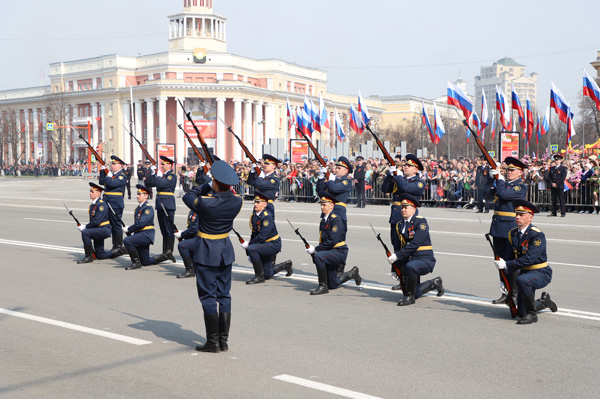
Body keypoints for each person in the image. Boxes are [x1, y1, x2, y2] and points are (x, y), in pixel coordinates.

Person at [182, 161, 244, 353]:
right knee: (224, 294)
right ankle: (223, 341)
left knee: (208, 295)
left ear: (216, 183)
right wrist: (215, 182)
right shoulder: (237, 201)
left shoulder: (206, 202)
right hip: (225, 249)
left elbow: (188, 195)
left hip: (207, 250)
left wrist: (207, 184)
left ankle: (212, 342)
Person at [494, 199, 558, 324]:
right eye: (516, 214)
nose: (517, 217)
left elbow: (529, 259)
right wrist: (505, 280)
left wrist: (506, 264)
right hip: (525, 273)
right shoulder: (512, 234)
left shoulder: (537, 235)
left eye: (521, 215)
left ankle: (532, 314)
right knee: (520, 313)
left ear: (530, 218)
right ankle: (544, 302)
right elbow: (510, 257)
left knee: (522, 280)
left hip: (540, 272)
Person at [386, 193, 444, 306]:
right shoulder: (399, 226)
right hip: (410, 261)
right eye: (402, 207)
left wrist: (397, 257)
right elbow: (398, 248)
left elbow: (415, 244)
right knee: (416, 291)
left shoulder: (420, 222)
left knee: (410, 268)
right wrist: (394, 267)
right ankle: (434, 283)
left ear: (413, 210)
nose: (403, 210)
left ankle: (409, 297)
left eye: (406, 208)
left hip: (424, 259)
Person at [381, 154, 426, 290]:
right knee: (397, 248)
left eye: (409, 166)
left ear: (416, 170)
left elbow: (405, 188)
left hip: (408, 218)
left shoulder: (418, 182)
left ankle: (412, 282)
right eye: (405, 165)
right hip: (396, 217)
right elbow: (385, 189)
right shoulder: (400, 179)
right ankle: (403, 280)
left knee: (408, 250)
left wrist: (398, 175)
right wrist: (390, 174)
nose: (405, 167)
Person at [305, 191, 362, 295]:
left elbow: (332, 241)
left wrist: (316, 250)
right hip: (330, 252)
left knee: (319, 257)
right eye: (321, 205)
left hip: (338, 251)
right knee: (333, 284)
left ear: (332, 206)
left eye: (324, 205)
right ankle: (352, 273)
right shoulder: (323, 221)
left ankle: (322, 286)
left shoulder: (336, 220)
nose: (322, 207)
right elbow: (322, 239)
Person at [489, 156, 527, 305]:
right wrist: (491, 177)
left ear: (520, 173)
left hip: (509, 229)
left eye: (512, 170)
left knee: (510, 263)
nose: (509, 172)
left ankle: (514, 294)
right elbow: (487, 193)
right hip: (498, 228)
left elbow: (504, 195)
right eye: (507, 169)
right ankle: (505, 292)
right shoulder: (503, 184)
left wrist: (500, 179)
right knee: (499, 263)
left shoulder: (520, 187)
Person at [242, 191, 293, 284]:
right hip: (264, 245)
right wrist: (248, 248)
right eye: (255, 202)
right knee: (268, 274)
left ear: (265, 204)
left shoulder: (266, 217)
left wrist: (249, 245)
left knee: (252, 249)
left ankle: (259, 277)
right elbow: (254, 234)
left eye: (258, 202)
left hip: (272, 244)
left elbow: (262, 237)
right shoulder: (255, 216)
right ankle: (285, 265)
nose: (255, 204)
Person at [76, 182, 120, 263]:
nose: (90, 193)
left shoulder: (101, 205)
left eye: (92, 192)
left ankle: (89, 257)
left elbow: (96, 221)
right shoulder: (93, 204)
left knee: (85, 233)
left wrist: (85, 227)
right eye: (90, 191)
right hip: (98, 229)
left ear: (98, 193)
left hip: (103, 229)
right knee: (101, 255)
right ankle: (120, 251)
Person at [148, 156, 177, 263]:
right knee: (164, 230)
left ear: (170, 165)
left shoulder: (171, 176)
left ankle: (169, 251)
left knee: (169, 229)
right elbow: (151, 184)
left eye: (164, 164)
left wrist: (158, 175)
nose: (162, 166)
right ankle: (165, 252)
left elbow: (160, 183)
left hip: (168, 204)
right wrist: (152, 173)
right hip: (160, 204)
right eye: (161, 164)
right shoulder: (162, 175)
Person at [122, 184, 156, 270]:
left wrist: (129, 229)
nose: (137, 196)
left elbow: (141, 224)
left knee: (127, 240)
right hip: (141, 234)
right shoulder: (139, 208)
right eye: (137, 194)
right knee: (146, 262)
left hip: (146, 234)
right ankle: (165, 256)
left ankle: (136, 263)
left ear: (146, 196)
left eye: (139, 194)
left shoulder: (147, 208)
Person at [98, 155, 127, 254]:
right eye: (111, 164)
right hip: (107, 202)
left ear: (121, 165)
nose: (112, 166)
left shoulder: (122, 176)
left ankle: (118, 246)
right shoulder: (111, 175)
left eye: (114, 164)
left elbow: (112, 184)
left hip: (115, 204)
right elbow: (101, 182)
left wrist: (108, 176)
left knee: (116, 225)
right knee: (107, 224)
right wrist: (102, 171)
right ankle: (114, 245)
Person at [316, 156, 353, 225]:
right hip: (327, 212)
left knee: (336, 234)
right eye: (336, 168)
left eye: (339, 168)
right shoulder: (333, 180)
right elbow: (319, 190)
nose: (336, 170)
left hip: (338, 212)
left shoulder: (346, 181)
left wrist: (330, 179)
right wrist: (321, 176)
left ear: (346, 171)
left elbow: (333, 188)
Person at [174, 207, 200, 279]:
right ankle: (194, 266)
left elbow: (195, 229)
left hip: (201, 238)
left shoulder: (200, 210)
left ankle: (190, 270)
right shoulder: (193, 210)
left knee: (182, 245)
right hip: (195, 237)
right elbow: (191, 228)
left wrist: (182, 234)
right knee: (187, 241)